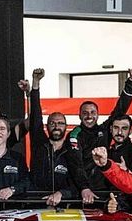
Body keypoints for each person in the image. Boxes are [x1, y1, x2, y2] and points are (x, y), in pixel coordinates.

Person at [69, 67, 132, 203]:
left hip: (104, 192)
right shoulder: (75, 135)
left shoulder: (104, 130)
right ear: (79, 115)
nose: (89, 116)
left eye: (93, 112)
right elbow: (75, 165)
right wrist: (84, 188)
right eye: (85, 113)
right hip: (81, 193)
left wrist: (131, 81)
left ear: (98, 115)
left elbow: (120, 109)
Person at [22, 68, 86, 206]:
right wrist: (35, 84)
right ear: (47, 126)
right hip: (35, 204)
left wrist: (62, 193)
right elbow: (36, 116)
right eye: (52, 123)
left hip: (65, 206)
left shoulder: (72, 151)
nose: (56, 126)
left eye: (60, 123)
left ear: (66, 126)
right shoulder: (39, 143)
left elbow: (77, 183)